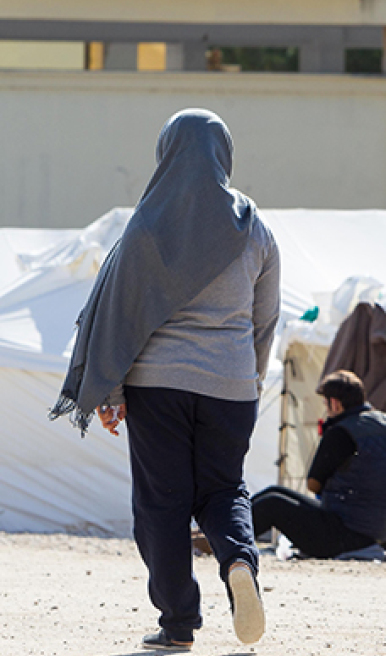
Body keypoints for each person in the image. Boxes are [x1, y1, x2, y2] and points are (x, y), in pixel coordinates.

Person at [50, 108, 280, 650]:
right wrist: (251, 381)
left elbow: (118, 313)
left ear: (166, 151)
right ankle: (239, 561)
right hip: (231, 384)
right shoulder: (255, 227)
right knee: (224, 488)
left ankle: (178, 622)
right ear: (224, 154)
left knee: (162, 502)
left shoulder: (148, 223)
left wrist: (110, 388)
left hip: (158, 384)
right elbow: (265, 319)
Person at [250, 370, 386, 562]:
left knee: (272, 504)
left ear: (335, 403)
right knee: (276, 492)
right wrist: (383, 484)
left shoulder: (342, 430)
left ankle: (223, 539)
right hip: (380, 533)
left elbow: (313, 483)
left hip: (343, 535)